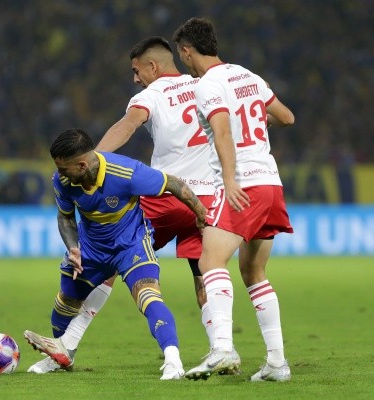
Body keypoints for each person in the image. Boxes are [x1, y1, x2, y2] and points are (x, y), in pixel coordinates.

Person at [27, 36, 223, 374]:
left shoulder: (150, 97)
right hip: (206, 196)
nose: (135, 78)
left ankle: (68, 344)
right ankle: (222, 347)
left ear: (152, 67)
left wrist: (97, 158)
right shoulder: (206, 85)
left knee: (122, 259)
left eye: (136, 70)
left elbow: (128, 124)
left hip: (165, 196)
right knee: (205, 274)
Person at [23, 128, 207, 380]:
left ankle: (173, 361)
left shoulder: (127, 172)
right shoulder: (62, 180)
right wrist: (73, 248)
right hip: (91, 248)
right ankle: (62, 355)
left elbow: (174, 184)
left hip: (131, 244)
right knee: (65, 302)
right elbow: (65, 217)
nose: (60, 173)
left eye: (64, 168)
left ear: (82, 164)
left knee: (148, 296)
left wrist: (201, 214)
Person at [172, 17, 295, 382]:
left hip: (243, 185)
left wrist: (229, 180)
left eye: (181, 55)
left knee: (209, 261)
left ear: (186, 51)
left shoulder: (208, 84)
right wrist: (256, 123)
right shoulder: (249, 76)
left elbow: (223, 131)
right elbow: (286, 117)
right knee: (253, 272)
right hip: (271, 183)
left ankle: (223, 348)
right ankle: (277, 364)